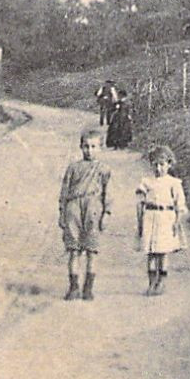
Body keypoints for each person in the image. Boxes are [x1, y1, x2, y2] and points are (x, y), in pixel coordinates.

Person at [58, 128, 112, 300]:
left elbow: (108, 193)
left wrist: (107, 213)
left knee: (91, 250)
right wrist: (61, 213)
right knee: (74, 250)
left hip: (93, 208)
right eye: (86, 146)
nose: (90, 150)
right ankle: (73, 287)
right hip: (74, 207)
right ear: (81, 147)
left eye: (94, 146)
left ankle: (88, 288)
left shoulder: (103, 169)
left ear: (100, 148)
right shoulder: (73, 168)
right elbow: (64, 192)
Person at [135, 145, 187, 296]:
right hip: (150, 218)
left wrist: (177, 222)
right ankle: (151, 282)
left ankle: (161, 281)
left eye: (162, 164)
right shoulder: (147, 182)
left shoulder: (173, 183)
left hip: (166, 219)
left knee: (163, 252)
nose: (158, 168)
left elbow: (180, 205)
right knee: (151, 252)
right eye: (155, 164)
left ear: (169, 164)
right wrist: (139, 221)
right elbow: (140, 203)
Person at [105, 84, 134, 149]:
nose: (119, 96)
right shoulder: (120, 102)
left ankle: (121, 144)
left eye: (120, 95)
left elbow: (129, 110)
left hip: (123, 118)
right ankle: (117, 144)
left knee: (121, 130)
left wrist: (129, 116)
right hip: (119, 117)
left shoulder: (126, 102)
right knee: (116, 130)